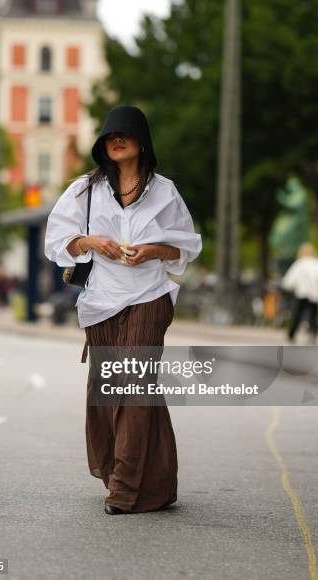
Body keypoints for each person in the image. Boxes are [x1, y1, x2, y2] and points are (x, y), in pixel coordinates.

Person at [44, 105, 202, 514]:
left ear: (141, 142)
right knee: (123, 390)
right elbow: (58, 242)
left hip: (149, 296)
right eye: (109, 135)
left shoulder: (165, 191)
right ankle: (159, 483)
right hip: (100, 302)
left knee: (132, 385)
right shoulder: (84, 190)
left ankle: (125, 489)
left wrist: (152, 250)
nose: (116, 140)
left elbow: (184, 247)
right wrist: (92, 242)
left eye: (125, 134)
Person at [281, 243, 318, 343]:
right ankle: (313, 334)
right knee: (313, 315)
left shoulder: (299, 263)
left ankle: (291, 334)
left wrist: (288, 288)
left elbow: (289, 280)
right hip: (314, 295)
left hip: (301, 293)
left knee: (297, 314)